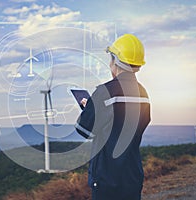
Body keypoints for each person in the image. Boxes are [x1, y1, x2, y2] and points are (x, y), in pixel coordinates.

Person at [75, 34, 151, 200]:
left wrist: (89, 109)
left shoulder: (104, 92)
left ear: (115, 61)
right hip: (132, 175)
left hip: (106, 177)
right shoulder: (143, 94)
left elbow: (84, 130)